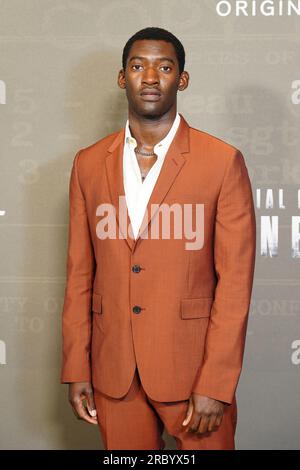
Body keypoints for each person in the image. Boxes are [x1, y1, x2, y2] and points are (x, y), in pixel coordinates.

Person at [60, 27, 256, 450]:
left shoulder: (222, 163)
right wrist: (77, 365)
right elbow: (79, 275)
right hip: (115, 375)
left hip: (193, 376)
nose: (150, 77)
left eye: (164, 67)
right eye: (137, 66)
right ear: (122, 77)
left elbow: (235, 286)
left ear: (181, 80)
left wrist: (217, 383)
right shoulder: (89, 164)